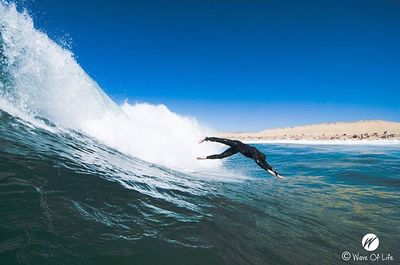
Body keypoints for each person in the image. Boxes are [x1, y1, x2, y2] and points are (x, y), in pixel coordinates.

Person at [198, 137, 285, 179]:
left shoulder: (258, 155)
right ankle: (207, 138)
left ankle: (205, 157)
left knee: (221, 156)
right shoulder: (255, 153)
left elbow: (266, 165)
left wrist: (276, 174)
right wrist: (270, 172)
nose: (260, 158)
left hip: (236, 150)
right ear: (260, 155)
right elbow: (260, 163)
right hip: (236, 144)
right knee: (222, 140)